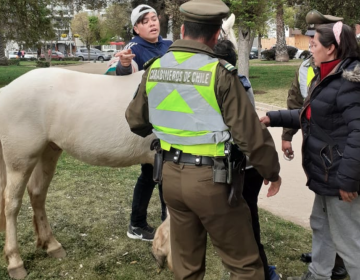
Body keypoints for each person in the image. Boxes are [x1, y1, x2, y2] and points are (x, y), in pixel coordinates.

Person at [126, 0, 282, 279]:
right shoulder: (219, 73)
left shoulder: (155, 68)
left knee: (186, 266)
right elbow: (249, 135)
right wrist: (271, 171)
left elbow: (135, 121)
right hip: (213, 181)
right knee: (245, 265)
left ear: (183, 29)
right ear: (215, 36)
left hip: (170, 178)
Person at [261, 21, 360, 280]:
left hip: (341, 176)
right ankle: (318, 274)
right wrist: (272, 117)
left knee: (350, 240)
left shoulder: (350, 82)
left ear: (331, 48)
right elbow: (311, 115)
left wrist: (348, 180)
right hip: (326, 172)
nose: (310, 48)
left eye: (314, 44)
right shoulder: (327, 75)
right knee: (321, 225)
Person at [281, 10, 348, 279]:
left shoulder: (351, 73)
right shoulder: (308, 66)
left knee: (342, 219)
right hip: (320, 155)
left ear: (333, 43)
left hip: (341, 158)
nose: (310, 44)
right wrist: (287, 136)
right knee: (323, 216)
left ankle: (339, 262)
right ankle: (326, 259)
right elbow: (296, 102)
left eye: (315, 39)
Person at [214, 39, 280, 280]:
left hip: (239, 165)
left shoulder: (228, 86)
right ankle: (255, 269)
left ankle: (261, 271)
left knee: (246, 221)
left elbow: (245, 132)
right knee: (246, 218)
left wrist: (269, 170)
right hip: (248, 165)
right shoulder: (241, 81)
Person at [106, 4, 172, 241]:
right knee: (160, 171)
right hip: (152, 123)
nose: (152, 23)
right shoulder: (133, 48)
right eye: (145, 21)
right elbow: (123, 75)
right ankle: (158, 226)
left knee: (153, 172)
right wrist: (123, 65)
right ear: (135, 28)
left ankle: (139, 224)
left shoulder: (169, 45)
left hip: (170, 119)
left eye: (154, 18)